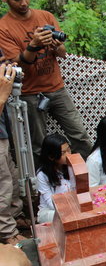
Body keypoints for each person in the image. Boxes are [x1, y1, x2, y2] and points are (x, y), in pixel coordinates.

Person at [0, 0, 92, 165]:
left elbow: (63, 53)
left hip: (56, 87)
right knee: (40, 145)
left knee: (80, 135)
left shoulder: (45, 16)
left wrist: (56, 45)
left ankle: (90, 173)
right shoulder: (3, 27)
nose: (23, 3)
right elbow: (18, 66)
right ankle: (46, 183)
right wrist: (34, 45)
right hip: (29, 93)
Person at [0, 62, 26, 245]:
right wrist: (2, 95)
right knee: (3, 185)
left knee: (13, 178)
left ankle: (15, 218)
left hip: (2, 133)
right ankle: (7, 233)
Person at [36, 134, 74, 223]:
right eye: (63, 153)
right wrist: (69, 209)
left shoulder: (72, 166)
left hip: (72, 207)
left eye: (68, 149)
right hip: (51, 211)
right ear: (51, 156)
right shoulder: (42, 174)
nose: (68, 154)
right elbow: (50, 203)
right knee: (65, 217)